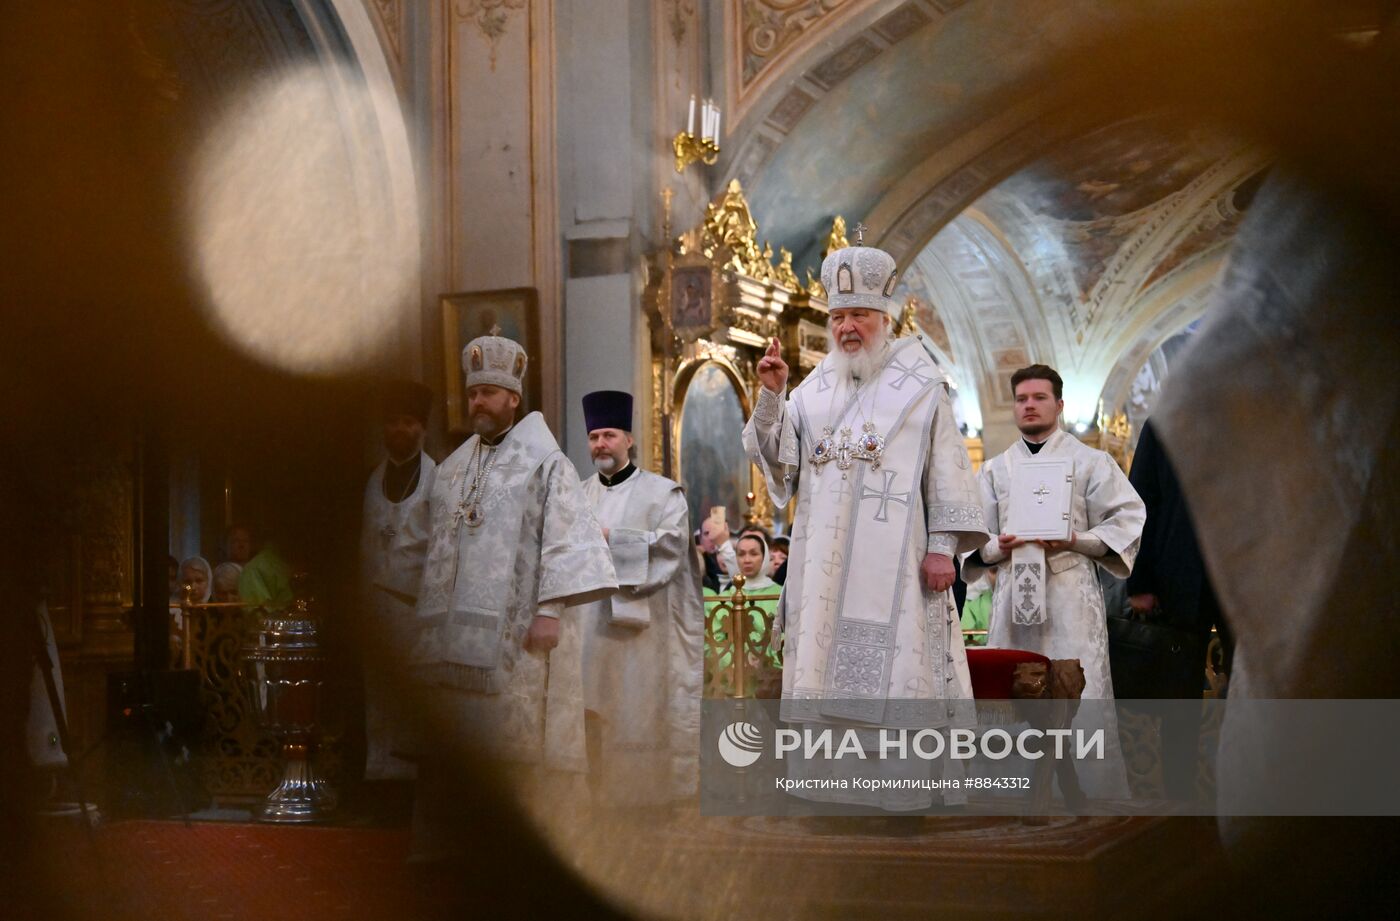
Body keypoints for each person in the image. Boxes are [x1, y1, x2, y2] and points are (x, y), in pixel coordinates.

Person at [742, 238, 990, 811]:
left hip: (900, 567)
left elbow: (947, 472)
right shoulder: (811, 391)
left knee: (900, 670)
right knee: (826, 670)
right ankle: (832, 792)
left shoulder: (921, 387)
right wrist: (771, 396)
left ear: (883, 317)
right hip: (824, 569)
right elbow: (781, 467)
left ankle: (900, 795)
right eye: (838, 316)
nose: (848, 327)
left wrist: (943, 548)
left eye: (858, 315)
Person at [409, 332, 616, 855]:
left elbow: (565, 539)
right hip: (449, 644)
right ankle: (451, 850)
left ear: (513, 399)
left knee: (515, 746)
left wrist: (549, 611)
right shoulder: (451, 468)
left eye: (489, 393)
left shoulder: (546, 464)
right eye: (473, 392)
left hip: (517, 639)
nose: (478, 401)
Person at [962, 364, 1145, 797]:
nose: (1029, 405)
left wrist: (1075, 540)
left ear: (1058, 404)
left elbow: (1130, 517)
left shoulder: (1091, 462)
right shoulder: (993, 470)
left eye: (1039, 397)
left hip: (1071, 600)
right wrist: (994, 549)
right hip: (1012, 603)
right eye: (1022, 398)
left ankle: (1089, 794)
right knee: (1014, 692)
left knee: (1078, 695)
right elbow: (969, 534)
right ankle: (1011, 795)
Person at [569, 389, 703, 807]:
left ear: (629, 439)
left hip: (644, 635)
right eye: (593, 437)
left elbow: (671, 548)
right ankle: (598, 801)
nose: (600, 445)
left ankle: (646, 801)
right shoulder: (577, 494)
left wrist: (613, 540)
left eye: (608, 435)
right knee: (593, 708)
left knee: (638, 708)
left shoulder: (664, 494)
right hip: (590, 625)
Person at [359, 379, 437, 782]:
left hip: (415, 612)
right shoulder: (371, 480)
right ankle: (379, 778)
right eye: (392, 422)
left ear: (421, 428)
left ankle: (409, 782)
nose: (399, 430)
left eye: (408, 422)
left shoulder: (437, 481)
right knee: (377, 697)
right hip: (375, 609)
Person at [703, 532, 781, 697]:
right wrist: (734, 661)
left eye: (753, 554)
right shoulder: (724, 598)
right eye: (741, 554)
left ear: (765, 556)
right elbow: (716, 639)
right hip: (729, 679)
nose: (747, 560)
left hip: (768, 681)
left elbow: (781, 636)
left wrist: (763, 660)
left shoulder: (778, 594)